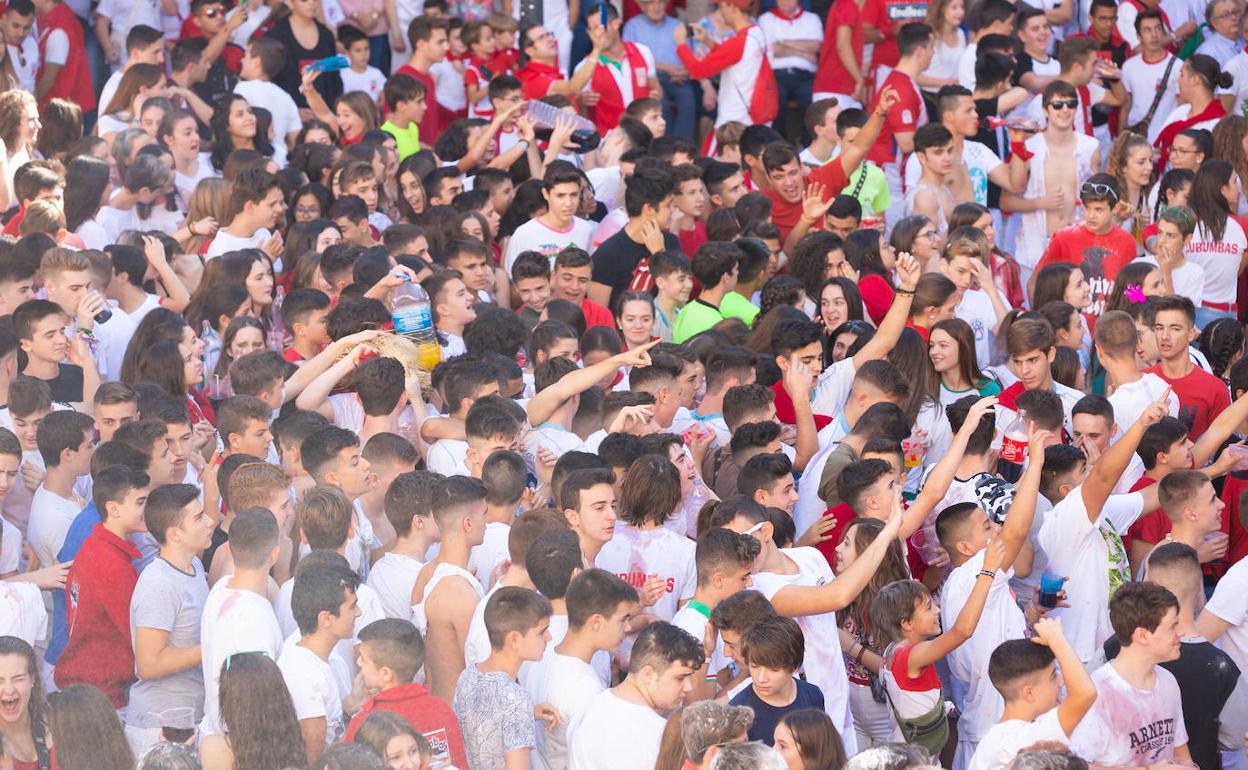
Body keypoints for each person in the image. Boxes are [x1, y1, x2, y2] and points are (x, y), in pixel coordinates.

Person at [123, 483, 212, 756]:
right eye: (198, 518)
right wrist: (211, 647)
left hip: (186, 720)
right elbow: (148, 664)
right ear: (174, 534)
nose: (209, 521)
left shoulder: (194, 565)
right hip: (158, 729)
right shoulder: (158, 584)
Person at [54, 465, 150, 707]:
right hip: (102, 696)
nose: (146, 509)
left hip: (85, 685)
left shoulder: (94, 547)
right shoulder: (112, 565)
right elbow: (137, 636)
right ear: (113, 508)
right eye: (140, 502)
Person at [1070, 582, 1194, 767]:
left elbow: (1181, 753)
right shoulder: (1097, 694)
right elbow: (1077, 766)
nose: (1181, 632)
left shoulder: (1168, 681)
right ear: (1142, 636)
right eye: (1172, 626)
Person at [566, 622, 706, 770]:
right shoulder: (658, 736)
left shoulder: (587, 710)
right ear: (648, 674)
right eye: (680, 678)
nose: (689, 686)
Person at [970, 617, 1097, 770]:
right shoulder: (1022, 740)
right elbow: (1085, 693)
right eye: (1053, 676)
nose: (1061, 681)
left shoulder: (995, 740)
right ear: (1028, 693)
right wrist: (1056, 637)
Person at [453, 586, 555, 770]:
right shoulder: (516, 700)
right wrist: (521, 711)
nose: (549, 637)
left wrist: (527, 713)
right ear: (514, 640)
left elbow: (482, 726)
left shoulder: (467, 676)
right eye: (542, 631)